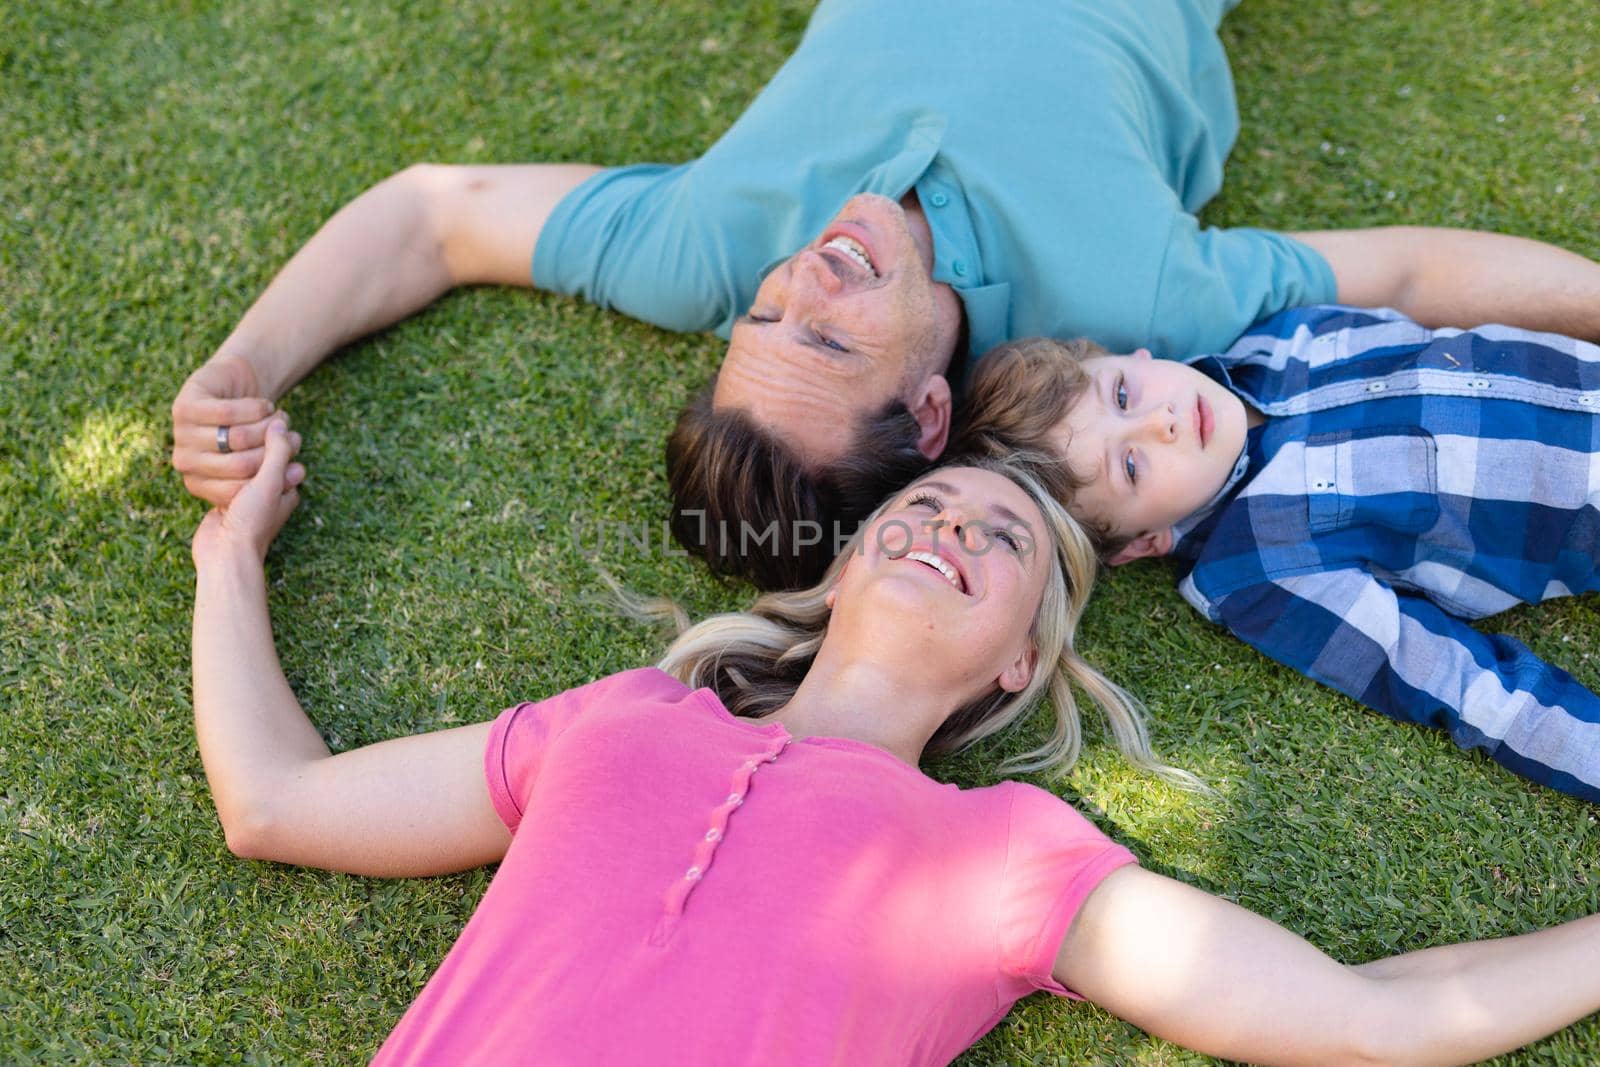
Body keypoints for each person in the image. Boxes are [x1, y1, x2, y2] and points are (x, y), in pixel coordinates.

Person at [192, 428, 1600, 1064]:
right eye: (927, 508)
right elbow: (275, 798)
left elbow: (1377, 1015)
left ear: (1022, 659)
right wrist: (226, 553)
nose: (950, 530)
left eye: (1001, 540)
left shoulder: (1004, 860)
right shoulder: (617, 716)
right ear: (848, 557)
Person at [170, 0, 1600, 590]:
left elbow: (433, 214)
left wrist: (246, 365)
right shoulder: (1127, 305)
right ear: (929, 409)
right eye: (831, 331)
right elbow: (1413, 271)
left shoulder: (704, 253)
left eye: (764, 319)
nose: (798, 281)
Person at [949, 309, 1600, 803]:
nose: (1160, 421)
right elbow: (1454, 681)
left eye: (1122, 394)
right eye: (1131, 464)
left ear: (1131, 356)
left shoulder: (1283, 337)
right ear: (1145, 541)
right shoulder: (1254, 567)